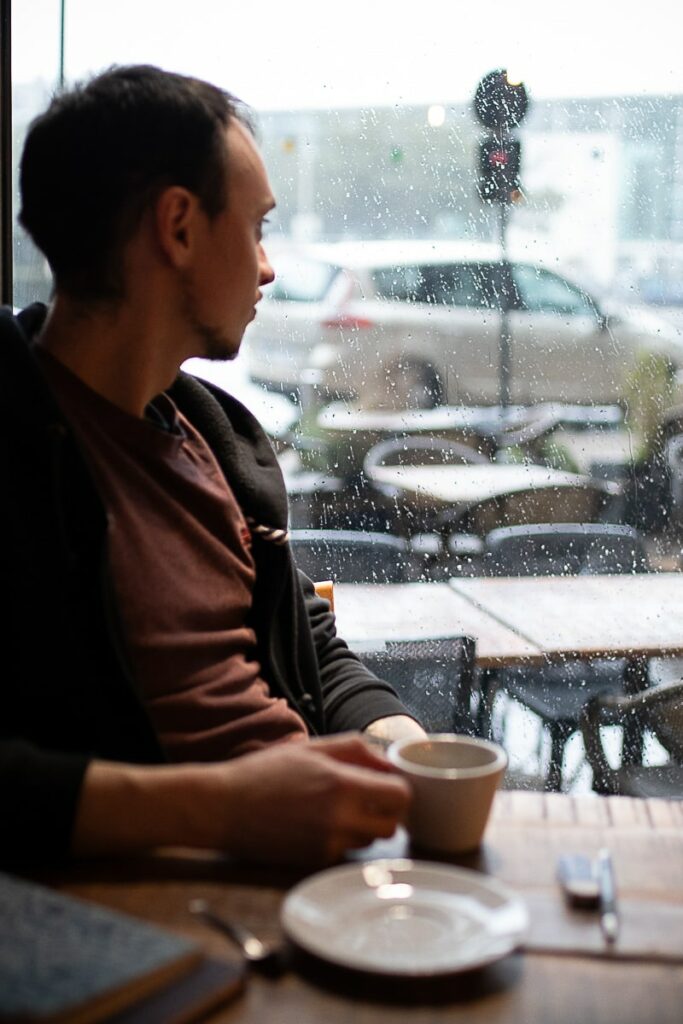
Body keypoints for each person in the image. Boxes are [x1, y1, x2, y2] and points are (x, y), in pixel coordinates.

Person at [1, 64, 425, 868]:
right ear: (180, 228)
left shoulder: (211, 435)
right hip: (161, 899)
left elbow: (309, 645)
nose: (267, 268)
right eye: (258, 227)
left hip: (310, 860)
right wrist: (228, 809)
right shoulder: (16, 445)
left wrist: (394, 740)